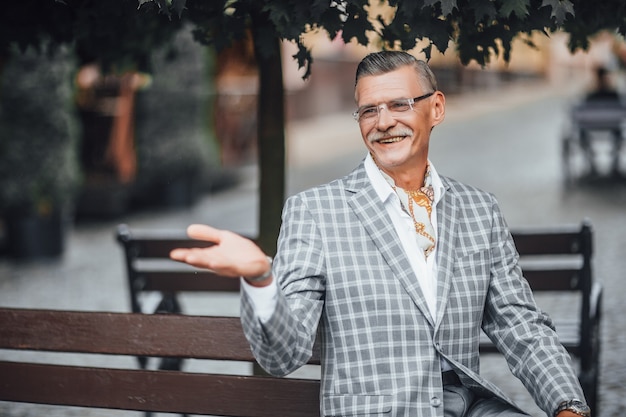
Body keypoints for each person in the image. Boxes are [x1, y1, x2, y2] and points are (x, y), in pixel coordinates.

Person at [170, 51, 590, 417]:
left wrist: (568, 404)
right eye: (369, 110)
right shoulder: (315, 212)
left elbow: (522, 325)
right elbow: (284, 354)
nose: (384, 122)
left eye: (400, 104)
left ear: (436, 108)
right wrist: (262, 279)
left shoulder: (480, 210)